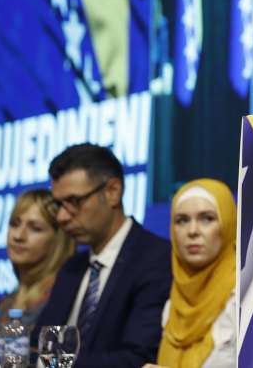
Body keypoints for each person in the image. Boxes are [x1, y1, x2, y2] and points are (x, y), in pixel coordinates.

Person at [35, 143, 172, 367]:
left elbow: (138, 358)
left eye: (73, 202)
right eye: (58, 204)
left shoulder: (156, 259)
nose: (61, 217)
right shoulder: (71, 268)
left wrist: (57, 364)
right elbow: (39, 346)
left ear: (113, 192)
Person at [143, 179, 236, 368]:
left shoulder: (244, 298)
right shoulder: (174, 304)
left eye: (207, 218)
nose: (192, 231)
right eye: (182, 220)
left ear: (228, 224)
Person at [0, 189, 75, 324]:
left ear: (58, 239)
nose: (18, 236)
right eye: (14, 224)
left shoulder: (63, 297)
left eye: (35, 228)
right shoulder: (5, 303)